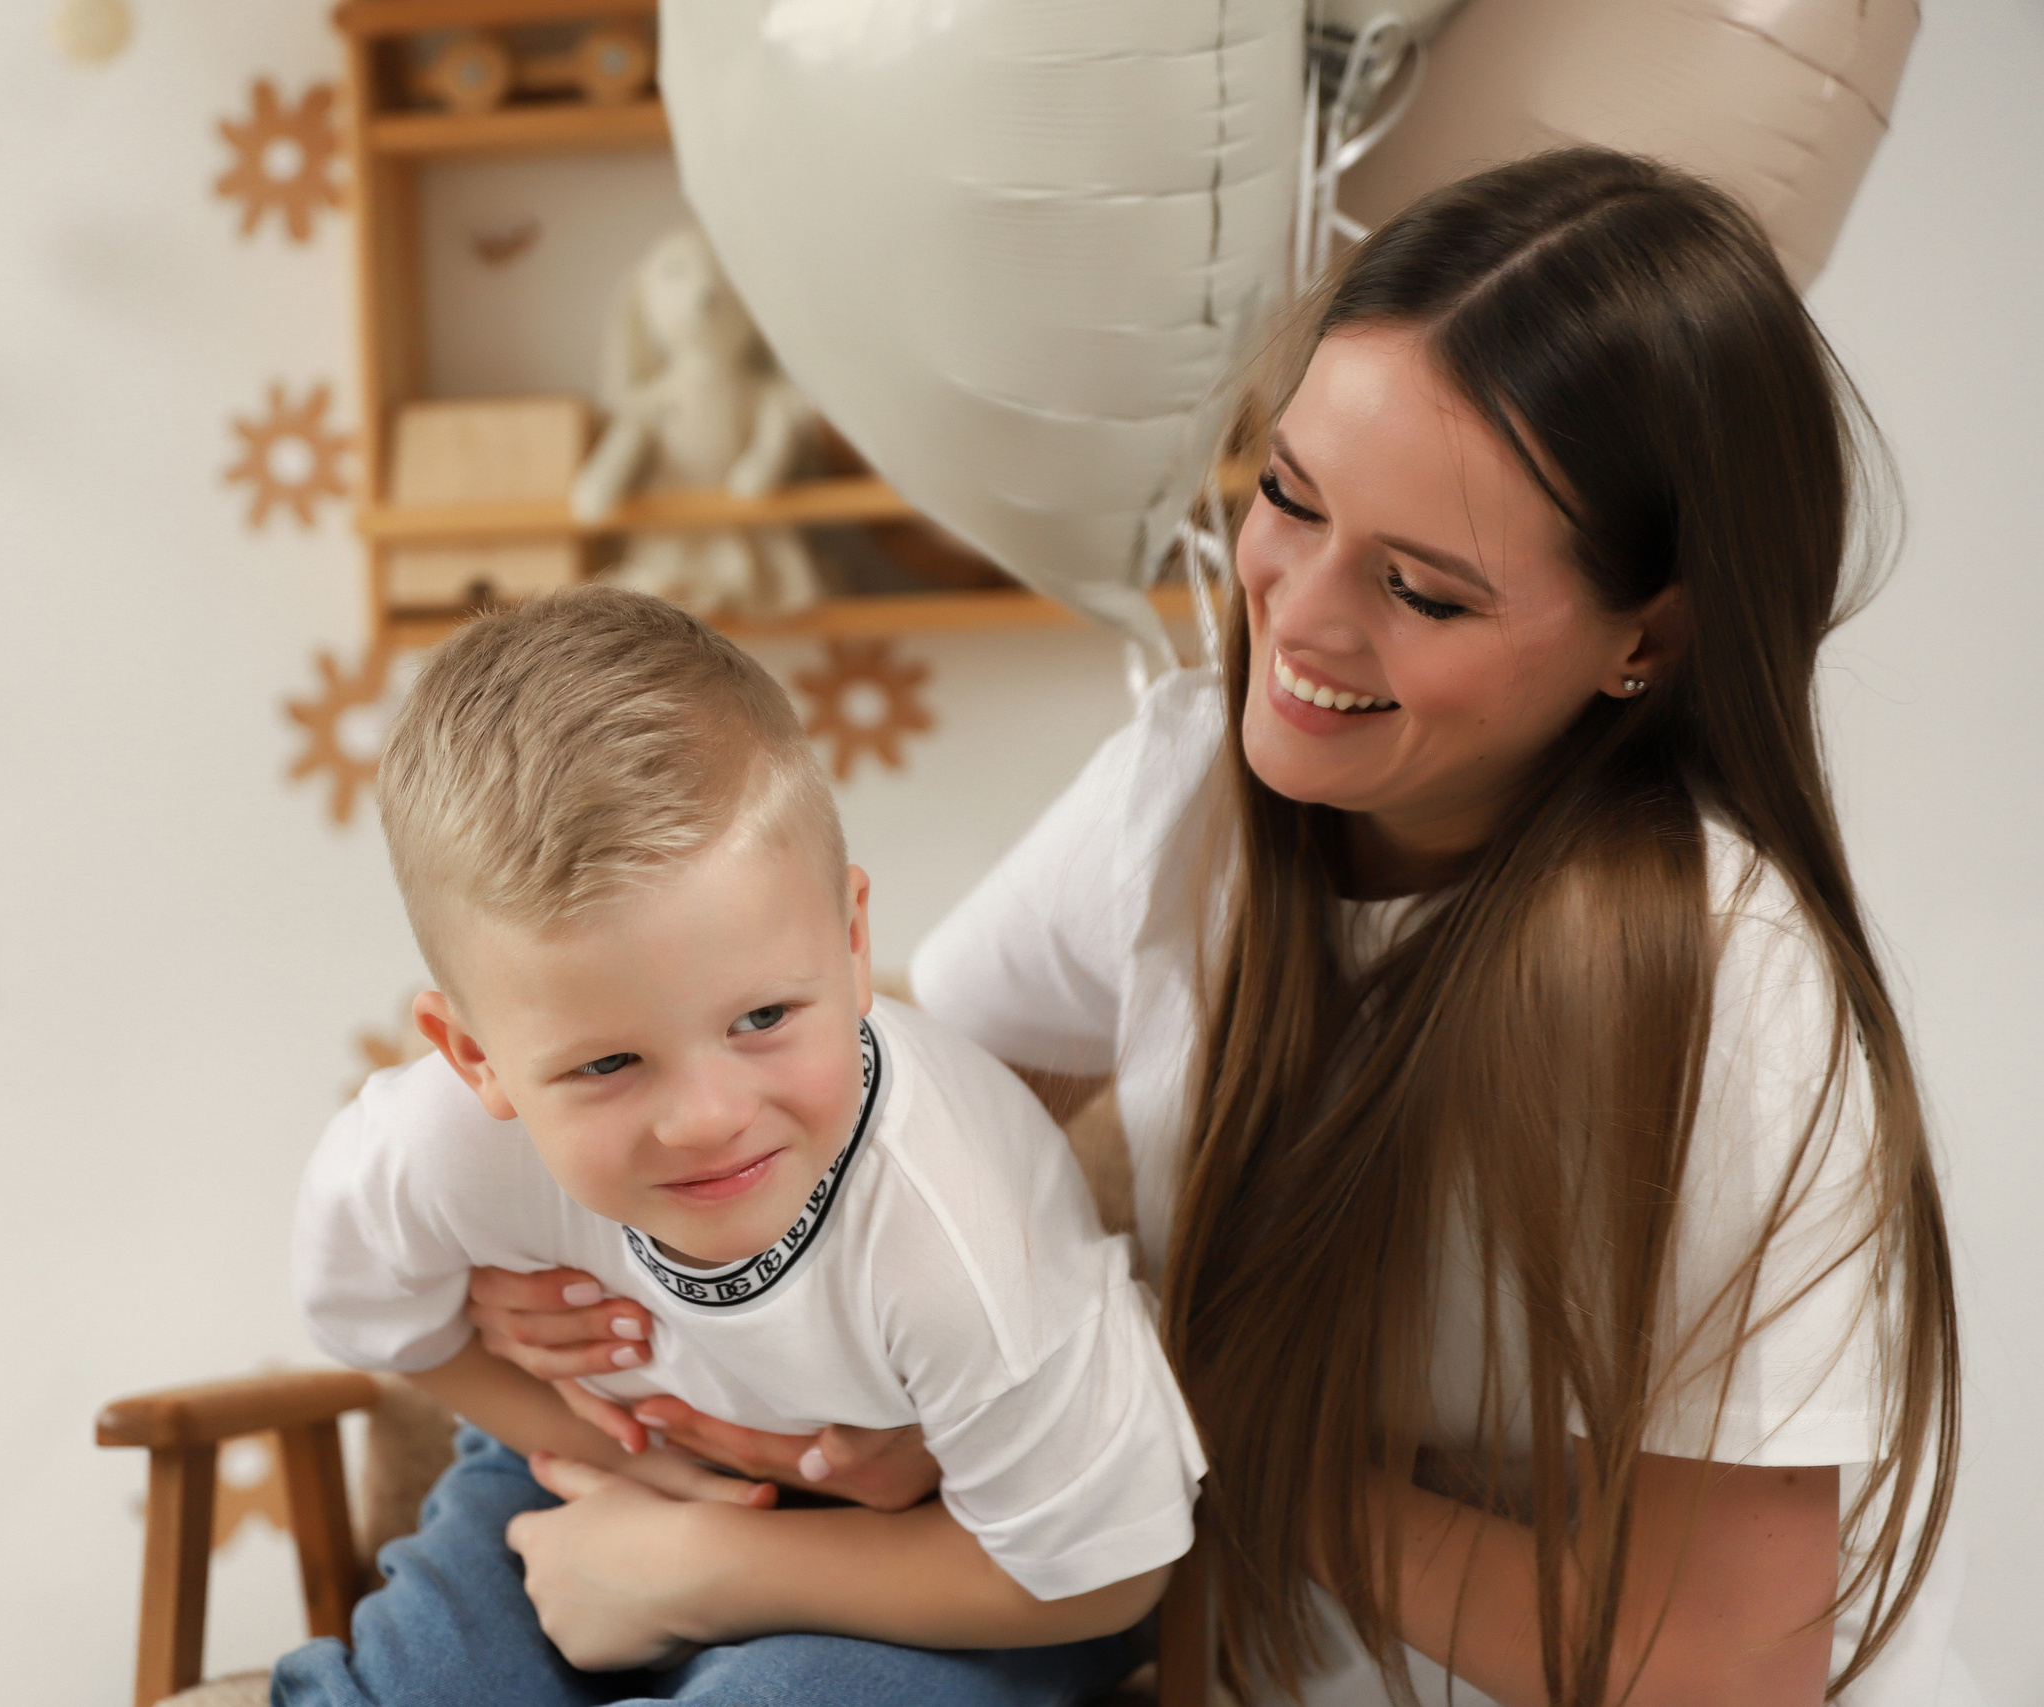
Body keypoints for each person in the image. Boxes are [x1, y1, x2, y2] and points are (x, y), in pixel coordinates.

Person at [455, 149, 1965, 1707]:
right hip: (1208, 1607)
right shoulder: (1181, 791)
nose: (1296, 617)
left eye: (1425, 592)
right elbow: (874, 1142)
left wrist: (1169, 1414)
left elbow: (1719, 1666)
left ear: (1643, 637)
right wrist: (578, 1274)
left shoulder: (1726, 996)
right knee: (499, 1477)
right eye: (1289, 497)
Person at [275, 586, 1204, 1706]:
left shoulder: (958, 1228)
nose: (707, 1117)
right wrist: (614, 1453)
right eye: (608, 1065)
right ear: (473, 1056)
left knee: (790, 1695)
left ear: (852, 944)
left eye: (761, 1019)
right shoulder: (430, 1150)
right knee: (429, 1675)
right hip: (601, 1456)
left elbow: (1107, 1574)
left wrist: (703, 1576)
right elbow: (365, 1304)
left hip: (963, 1544)